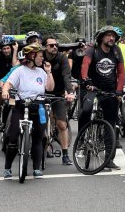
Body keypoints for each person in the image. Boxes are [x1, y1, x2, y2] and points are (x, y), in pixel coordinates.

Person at [1, 43, 54, 179]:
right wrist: (5, 91)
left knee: (39, 138)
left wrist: (49, 72)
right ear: (31, 55)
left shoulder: (42, 72)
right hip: (21, 105)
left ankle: (36, 168)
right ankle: (7, 168)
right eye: (40, 56)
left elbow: (50, 88)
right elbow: (8, 83)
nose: (42, 59)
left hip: (38, 106)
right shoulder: (19, 71)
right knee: (12, 138)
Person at [80, 25, 125, 170]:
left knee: (110, 124)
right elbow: (85, 65)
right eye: (108, 35)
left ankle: (108, 159)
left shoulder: (116, 51)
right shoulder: (92, 50)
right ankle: (82, 138)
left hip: (110, 91)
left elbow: (121, 73)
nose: (111, 38)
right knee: (86, 111)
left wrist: (118, 90)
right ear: (101, 37)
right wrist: (86, 80)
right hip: (94, 89)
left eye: (113, 36)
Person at [43, 36, 75, 165]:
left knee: (62, 125)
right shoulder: (40, 58)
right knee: (41, 123)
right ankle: (42, 148)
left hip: (59, 94)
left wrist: (70, 92)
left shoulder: (62, 58)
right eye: (51, 45)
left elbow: (66, 76)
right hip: (41, 94)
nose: (55, 47)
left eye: (56, 45)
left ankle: (65, 154)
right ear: (45, 47)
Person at [0, 37, 15, 132]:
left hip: (14, 79)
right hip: (2, 79)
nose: (6, 51)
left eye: (8, 48)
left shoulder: (16, 54)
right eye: (4, 49)